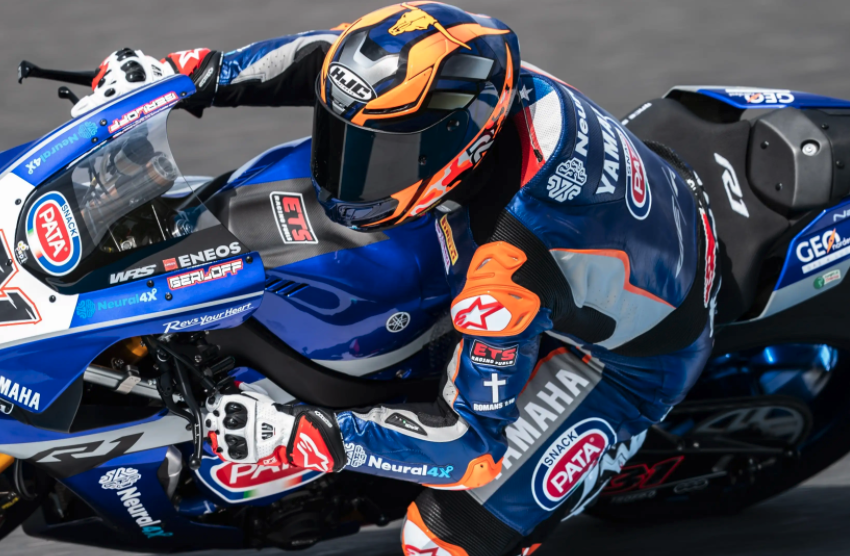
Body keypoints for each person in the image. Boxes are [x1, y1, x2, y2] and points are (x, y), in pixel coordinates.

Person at [75, 3, 719, 554]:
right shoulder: (469, 63)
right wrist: (188, 77)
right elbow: (326, 58)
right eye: (345, 142)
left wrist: (312, 436)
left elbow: (470, 445)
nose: (347, 172)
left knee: (438, 542)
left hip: (628, 362)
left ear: (461, 146)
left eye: (380, 157)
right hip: (622, 223)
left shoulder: (507, 269)